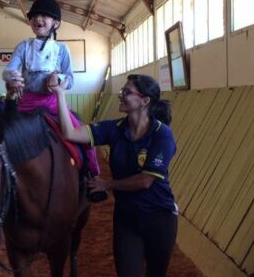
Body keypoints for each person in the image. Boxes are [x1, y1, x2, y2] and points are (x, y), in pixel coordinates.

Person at [51, 74, 178, 277]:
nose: (120, 95)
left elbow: (146, 181)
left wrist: (107, 184)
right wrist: (60, 95)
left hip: (159, 218)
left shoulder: (162, 134)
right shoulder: (114, 129)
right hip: (126, 219)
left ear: (145, 101)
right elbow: (70, 133)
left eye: (126, 92)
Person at [2, 0, 104, 200]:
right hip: (27, 102)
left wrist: (59, 78)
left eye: (44, 16)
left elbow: (71, 78)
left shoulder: (61, 50)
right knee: (2, 138)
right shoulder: (23, 47)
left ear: (55, 23)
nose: (38, 19)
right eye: (34, 16)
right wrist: (13, 79)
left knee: (83, 138)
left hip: (54, 103)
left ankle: (92, 178)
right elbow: (10, 69)